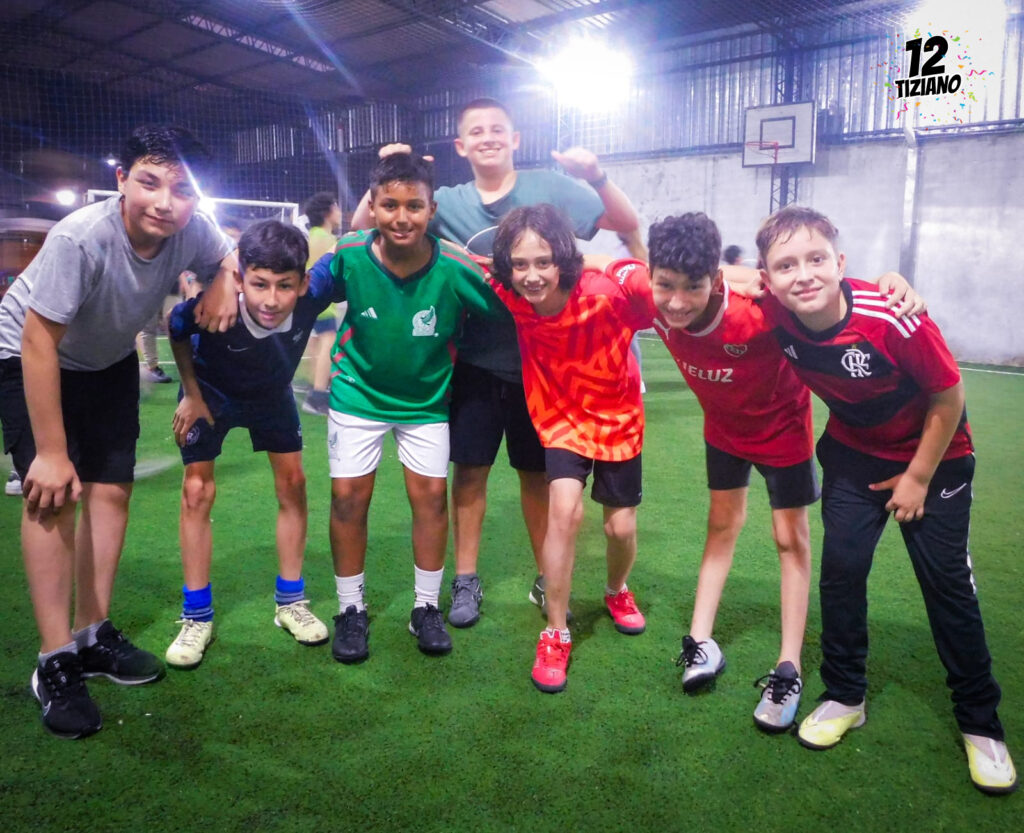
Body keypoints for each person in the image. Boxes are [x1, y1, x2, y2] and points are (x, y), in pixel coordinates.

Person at [351, 97, 641, 629]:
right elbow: (364, 232)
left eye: (496, 129)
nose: (487, 137)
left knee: (537, 478)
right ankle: (465, 579)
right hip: (474, 364)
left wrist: (597, 176)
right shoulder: (446, 201)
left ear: (515, 139)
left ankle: (545, 575)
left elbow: (625, 223)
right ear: (460, 146)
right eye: (475, 131)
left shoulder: (551, 188)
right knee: (469, 474)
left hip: (544, 371)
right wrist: (386, 170)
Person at [756, 205, 1016, 794]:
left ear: (841, 263)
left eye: (817, 259)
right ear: (768, 278)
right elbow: (718, 280)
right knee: (841, 572)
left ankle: (981, 722)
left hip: (937, 458)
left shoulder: (892, 316)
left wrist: (917, 478)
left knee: (947, 586)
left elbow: (949, 397)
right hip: (853, 455)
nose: (804, 275)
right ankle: (846, 695)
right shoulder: (773, 307)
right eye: (786, 265)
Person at [0, 124, 238, 739]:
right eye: (149, 183)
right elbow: (37, 340)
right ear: (121, 180)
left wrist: (224, 280)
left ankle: (91, 635)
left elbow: (227, 253)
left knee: (111, 491)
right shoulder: (81, 237)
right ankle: (54, 659)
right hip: (30, 354)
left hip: (105, 360)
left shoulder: (192, 229)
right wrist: (51, 452)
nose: (165, 202)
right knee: (52, 494)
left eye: (181, 190)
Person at [311, 152, 508, 663]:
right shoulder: (349, 254)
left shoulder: (456, 266)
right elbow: (305, 291)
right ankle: (350, 610)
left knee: (432, 500)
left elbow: (509, 309)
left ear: (431, 209)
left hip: (425, 402)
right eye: (390, 205)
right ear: (372, 207)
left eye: (414, 206)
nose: (402, 217)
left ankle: (425, 607)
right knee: (348, 500)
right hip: (358, 393)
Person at [646, 213, 817, 731]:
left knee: (789, 539)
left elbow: (827, 289)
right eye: (665, 285)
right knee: (720, 526)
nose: (677, 302)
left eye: (693, 287)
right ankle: (702, 642)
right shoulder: (648, 299)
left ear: (716, 280)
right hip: (723, 430)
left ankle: (789, 667)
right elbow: (592, 262)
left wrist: (892, 284)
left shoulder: (759, 312)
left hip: (783, 429)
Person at [489, 204, 651, 694]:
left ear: (563, 257)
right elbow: (449, 255)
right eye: (521, 264)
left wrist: (610, 261)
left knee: (619, 527)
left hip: (619, 418)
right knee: (563, 511)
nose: (532, 276)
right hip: (560, 419)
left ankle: (616, 590)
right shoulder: (511, 293)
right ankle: (555, 632)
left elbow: (657, 284)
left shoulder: (606, 294)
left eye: (543, 262)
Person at [163, 219, 336, 669]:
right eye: (259, 284)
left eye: (285, 285)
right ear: (241, 279)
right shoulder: (214, 307)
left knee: (294, 484)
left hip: (271, 394)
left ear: (303, 284)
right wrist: (191, 393)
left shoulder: (315, 293)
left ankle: (290, 602)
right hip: (211, 394)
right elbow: (175, 326)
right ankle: (196, 615)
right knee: (196, 490)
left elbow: (353, 250)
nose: (271, 300)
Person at [300, 192, 342, 416]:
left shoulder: (313, 236)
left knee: (318, 343)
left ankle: (312, 384)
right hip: (323, 304)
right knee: (328, 342)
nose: (340, 212)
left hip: (313, 302)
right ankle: (317, 396)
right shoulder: (326, 240)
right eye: (337, 207)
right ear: (328, 212)